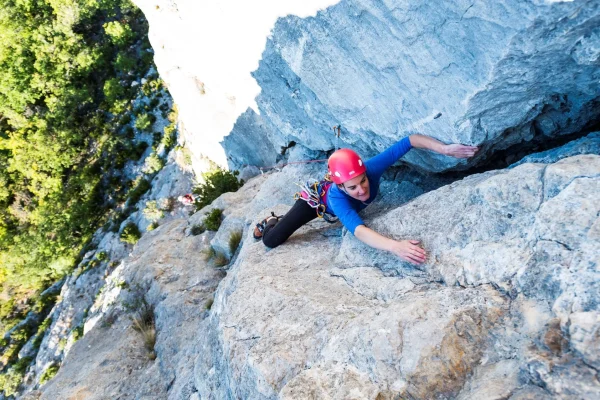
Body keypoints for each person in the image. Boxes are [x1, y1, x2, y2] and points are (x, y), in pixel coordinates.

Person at [253, 134, 478, 265]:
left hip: (333, 199)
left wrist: (445, 149)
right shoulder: (336, 196)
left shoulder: (370, 169)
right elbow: (359, 231)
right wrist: (395, 246)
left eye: (362, 181)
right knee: (271, 241)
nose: (362, 190)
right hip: (314, 203)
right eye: (352, 187)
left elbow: (409, 141)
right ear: (340, 185)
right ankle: (273, 221)